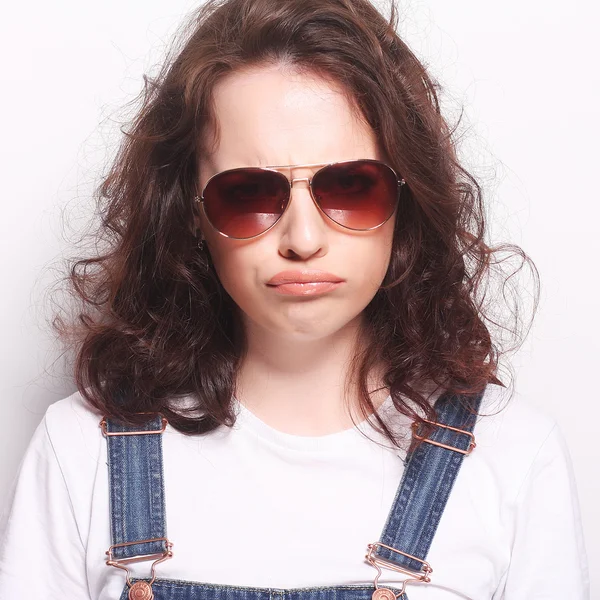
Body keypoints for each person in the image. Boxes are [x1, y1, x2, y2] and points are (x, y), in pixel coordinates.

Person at [0, 0, 590, 598]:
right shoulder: (81, 448)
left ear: (407, 202)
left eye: (352, 187)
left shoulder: (513, 458)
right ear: (190, 215)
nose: (303, 239)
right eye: (249, 192)